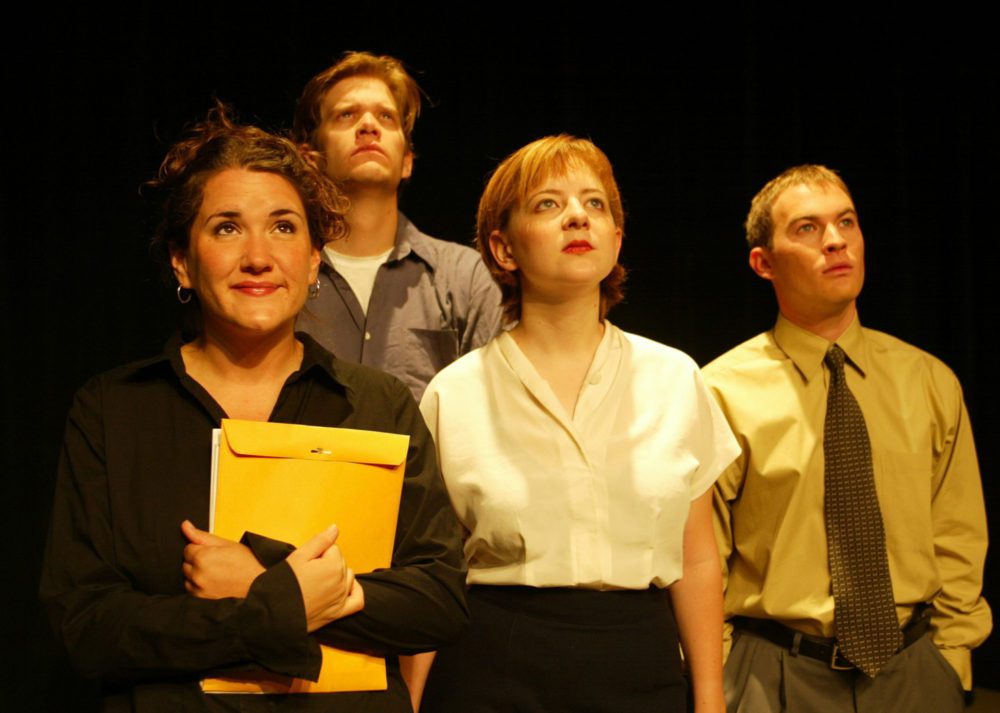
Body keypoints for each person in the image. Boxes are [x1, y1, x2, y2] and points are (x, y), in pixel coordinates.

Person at [39, 107, 468, 712]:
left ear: (316, 258)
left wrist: (262, 583)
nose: (259, 257)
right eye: (227, 228)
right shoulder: (113, 409)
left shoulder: (377, 404)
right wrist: (282, 607)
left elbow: (440, 601)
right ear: (181, 260)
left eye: (285, 228)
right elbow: (85, 624)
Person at [416, 136, 740, 713]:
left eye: (595, 204)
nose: (576, 217)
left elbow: (696, 557)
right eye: (548, 204)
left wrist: (710, 698)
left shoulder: (673, 377)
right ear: (503, 247)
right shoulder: (455, 393)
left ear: (617, 238)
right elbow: (432, 571)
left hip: (640, 656)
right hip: (494, 657)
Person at [702, 165, 991, 713]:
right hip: (774, 676)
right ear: (764, 263)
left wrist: (952, 662)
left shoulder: (928, 381)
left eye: (846, 222)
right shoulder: (719, 392)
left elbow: (959, 535)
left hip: (914, 672)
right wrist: (718, 677)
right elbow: (702, 560)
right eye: (807, 228)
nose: (835, 241)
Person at [292, 51, 502, 401]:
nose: (369, 126)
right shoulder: (282, 274)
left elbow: (498, 407)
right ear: (310, 158)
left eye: (386, 117)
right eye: (347, 115)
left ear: (407, 161)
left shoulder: (464, 277)